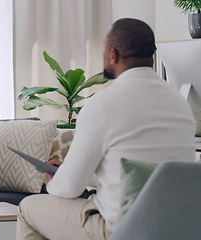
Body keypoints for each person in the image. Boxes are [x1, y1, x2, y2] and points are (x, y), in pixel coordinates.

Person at [16, 18, 195, 239]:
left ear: (113, 54)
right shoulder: (180, 104)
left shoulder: (101, 105)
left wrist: (56, 179)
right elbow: (143, 172)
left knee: (27, 209)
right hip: (175, 228)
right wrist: (80, 173)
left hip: (119, 230)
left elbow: (68, 189)